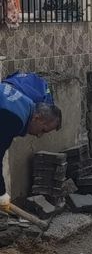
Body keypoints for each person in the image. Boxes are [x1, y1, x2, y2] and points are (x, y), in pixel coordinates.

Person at [0, 73, 62, 213]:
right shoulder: (14, 119)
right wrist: (2, 194)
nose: (39, 135)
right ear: (37, 118)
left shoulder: (27, 102)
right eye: (43, 130)